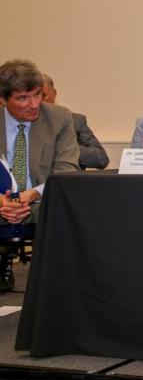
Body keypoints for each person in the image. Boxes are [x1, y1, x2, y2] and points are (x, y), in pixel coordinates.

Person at [0, 60, 79, 292]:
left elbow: (66, 170)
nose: (34, 104)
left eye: (37, 95)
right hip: (2, 200)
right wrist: (3, 202)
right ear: (3, 99)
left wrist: (28, 196)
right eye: (23, 98)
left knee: (68, 212)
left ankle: (56, 288)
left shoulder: (59, 117)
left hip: (42, 201)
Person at [41, 74, 109, 170]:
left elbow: (101, 159)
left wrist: (67, 146)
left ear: (54, 93)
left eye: (43, 96)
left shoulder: (75, 121)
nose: (38, 102)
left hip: (68, 181)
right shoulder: (22, 125)